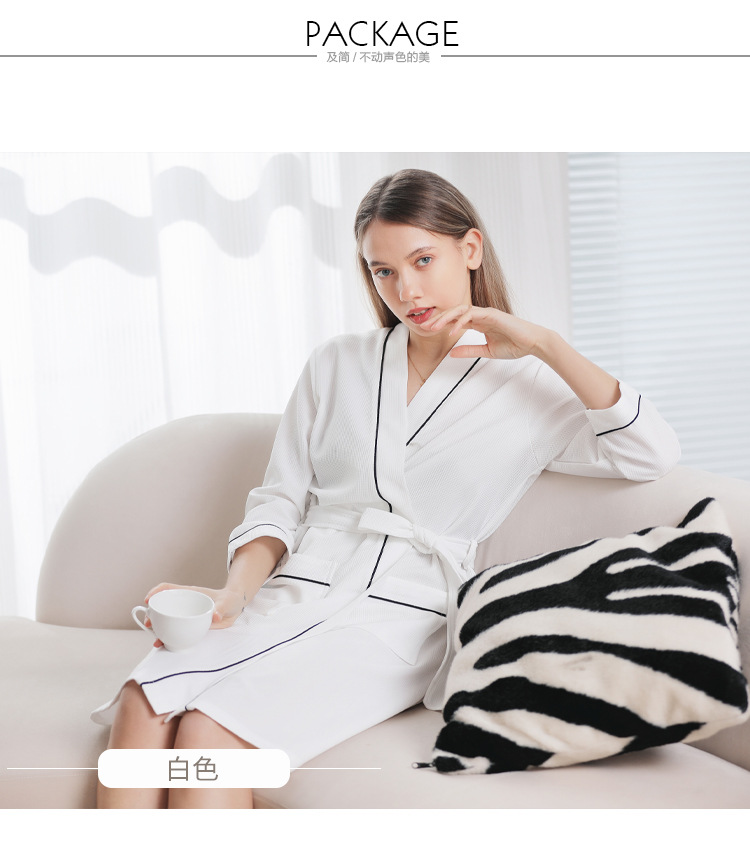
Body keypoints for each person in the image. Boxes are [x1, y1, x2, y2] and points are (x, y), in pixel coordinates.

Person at [93, 168, 681, 808]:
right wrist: (235, 594)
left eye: (423, 260)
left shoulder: (535, 387)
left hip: (402, 617)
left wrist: (543, 343)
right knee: (144, 699)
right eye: (384, 271)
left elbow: (649, 452)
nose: (407, 290)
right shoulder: (338, 363)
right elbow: (280, 499)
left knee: (214, 732)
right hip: (299, 586)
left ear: (470, 249)